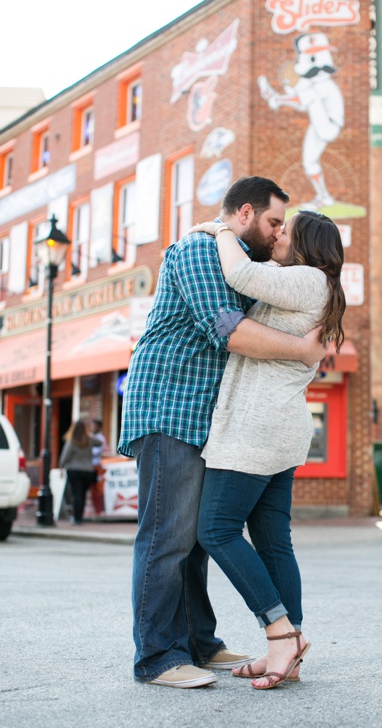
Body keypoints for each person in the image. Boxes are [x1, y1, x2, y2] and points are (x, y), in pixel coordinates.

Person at [118, 176, 329, 689]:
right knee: (166, 538)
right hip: (169, 405)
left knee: (193, 539)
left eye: (285, 226)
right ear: (245, 213)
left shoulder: (244, 261)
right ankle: (158, 658)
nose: (279, 232)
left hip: (204, 416)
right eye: (274, 222)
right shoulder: (197, 250)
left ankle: (198, 642)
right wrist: (302, 351)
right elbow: (229, 329)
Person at [192, 210, 345, 689]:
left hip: (257, 427)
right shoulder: (309, 284)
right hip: (278, 425)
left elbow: (238, 272)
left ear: (306, 243)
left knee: (216, 529)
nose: (277, 234)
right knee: (273, 539)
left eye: (286, 229)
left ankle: (278, 632)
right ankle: (291, 644)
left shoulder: (307, 279)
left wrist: (218, 229)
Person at [59, 420, 96, 525]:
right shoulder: (89, 440)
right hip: (88, 470)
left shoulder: (72, 441)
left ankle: (76, 518)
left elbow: (65, 456)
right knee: (83, 495)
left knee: (76, 494)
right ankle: (80, 516)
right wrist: (90, 435)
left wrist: (61, 466)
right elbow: (99, 443)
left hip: (74, 470)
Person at [88, 419, 106, 517]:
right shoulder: (91, 437)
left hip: (95, 465)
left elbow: (96, 452)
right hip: (88, 465)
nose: (93, 427)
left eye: (95, 426)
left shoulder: (100, 438)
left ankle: (98, 511)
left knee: (96, 489)